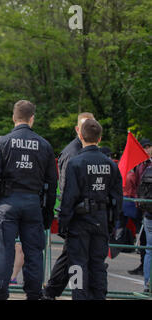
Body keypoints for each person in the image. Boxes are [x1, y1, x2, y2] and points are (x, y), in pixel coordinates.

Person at [0, 100, 57, 300]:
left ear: (13, 118)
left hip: (6, 202)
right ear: (32, 118)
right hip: (33, 203)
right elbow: (52, 183)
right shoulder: (44, 145)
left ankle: (0, 293)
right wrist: (47, 212)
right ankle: (34, 294)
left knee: (4, 251)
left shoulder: (3, 142)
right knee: (33, 253)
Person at [58, 119, 123, 300]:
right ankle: (99, 297)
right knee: (98, 265)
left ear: (80, 135)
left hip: (79, 222)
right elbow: (117, 198)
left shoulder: (76, 163)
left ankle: (79, 296)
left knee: (77, 265)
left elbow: (68, 198)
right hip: (101, 220)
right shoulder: (111, 165)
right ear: (99, 138)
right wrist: (111, 223)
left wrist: (63, 224)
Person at [42, 112, 95, 300]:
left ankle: (51, 292)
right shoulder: (72, 152)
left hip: (83, 216)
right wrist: (67, 216)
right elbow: (66, 187)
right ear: (77, 129)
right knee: (75, 261)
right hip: (75, 215)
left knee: (70, 258)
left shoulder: (86, 150)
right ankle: (73, 293)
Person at [128, 138, 152, 276]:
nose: (147, 149)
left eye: (149, 147)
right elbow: (136, 183)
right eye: (144, 147)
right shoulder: (139, 165)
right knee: (142, 238)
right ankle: (143, 265)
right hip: (141, 204)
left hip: (149, 205)